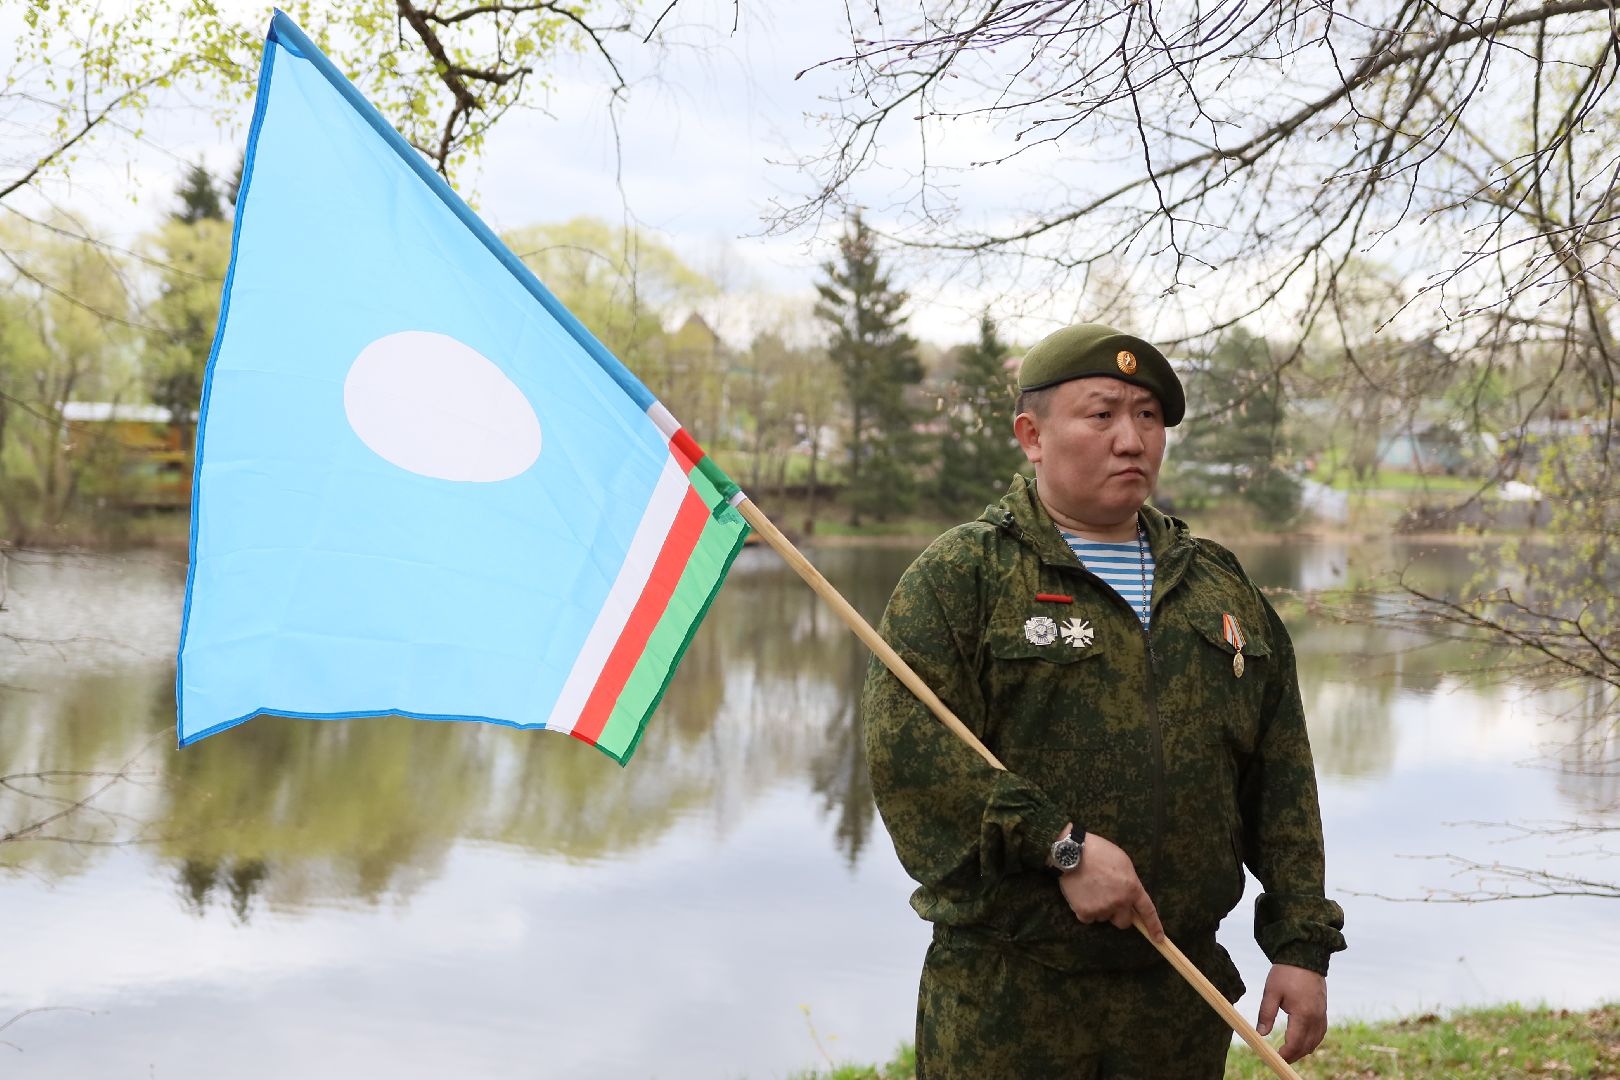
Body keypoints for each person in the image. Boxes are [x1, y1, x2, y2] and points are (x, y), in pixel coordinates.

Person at [861, 323, 1346, 1079]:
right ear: (1033, 435)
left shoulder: (1216, 587)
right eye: (1102, 414)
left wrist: (1300, 943)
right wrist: (1062, 846)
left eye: (1149, 417)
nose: (1132, 440)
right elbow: (915, 767)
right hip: (1012, 997)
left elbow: (1281, 778)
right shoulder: (964, 577)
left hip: (1177, 996)